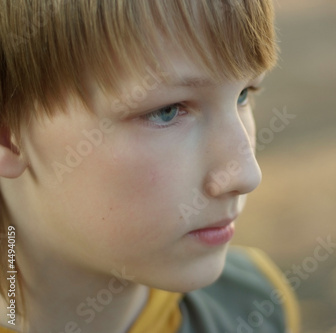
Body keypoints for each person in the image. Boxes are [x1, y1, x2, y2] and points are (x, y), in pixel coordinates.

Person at [0, 0, 300, 332]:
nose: (246, 174)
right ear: (8, 136)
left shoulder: (254, 306)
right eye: (167, 110)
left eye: (244, 94)